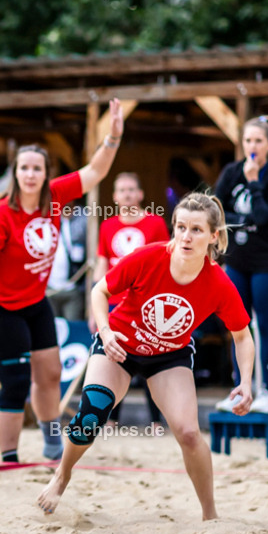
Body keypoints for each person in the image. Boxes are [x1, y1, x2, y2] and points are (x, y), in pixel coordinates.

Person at [37, 193, 255, 521]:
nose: (185, 236)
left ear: (213, 236)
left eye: (196, 230)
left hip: (169, 356)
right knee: (92, 412)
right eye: (180, 227)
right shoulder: (148, 257)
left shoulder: (218, 283)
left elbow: (242, 336)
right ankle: (62, 475)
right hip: (120, 344)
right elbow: (100, 290)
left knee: (189, 433)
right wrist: (107, 332)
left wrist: (247, 383)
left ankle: (210, 515)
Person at [0, 99, 124, 463]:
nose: (31, 174)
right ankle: (9, 457)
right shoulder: (0, 215)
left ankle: (52, 440)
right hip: (0, 308)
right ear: (15, 173)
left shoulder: (56, 196)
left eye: (37, 168)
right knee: (16, 383)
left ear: (45, 172)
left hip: (36, 303)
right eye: (24, 168)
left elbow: (95, 172)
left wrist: (112, 137)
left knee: (50, 375)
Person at [214, 115, 268, 413]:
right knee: (237, 326)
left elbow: (264, 216)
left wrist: (255, 182)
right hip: (237, 261)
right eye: (248, 141)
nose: (253, 146)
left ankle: (266, 391)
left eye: (258, 141)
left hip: (267, 262)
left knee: (264, 325)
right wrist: (239, 220)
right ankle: (239, 390)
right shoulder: (231, 172)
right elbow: (215, 211)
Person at [94, 172, 170, 426]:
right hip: (115, 302)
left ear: (140, 194)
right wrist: (95, 308)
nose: (127, 194)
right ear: (115, 197)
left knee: (150, 359)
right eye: (121, 190)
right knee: (116, 360)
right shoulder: (107, 226)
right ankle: (112, 418)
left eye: (131, 190)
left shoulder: (155, 223)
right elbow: (101, 265)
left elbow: (164, 262)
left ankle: (156, 420)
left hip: (147, 303)